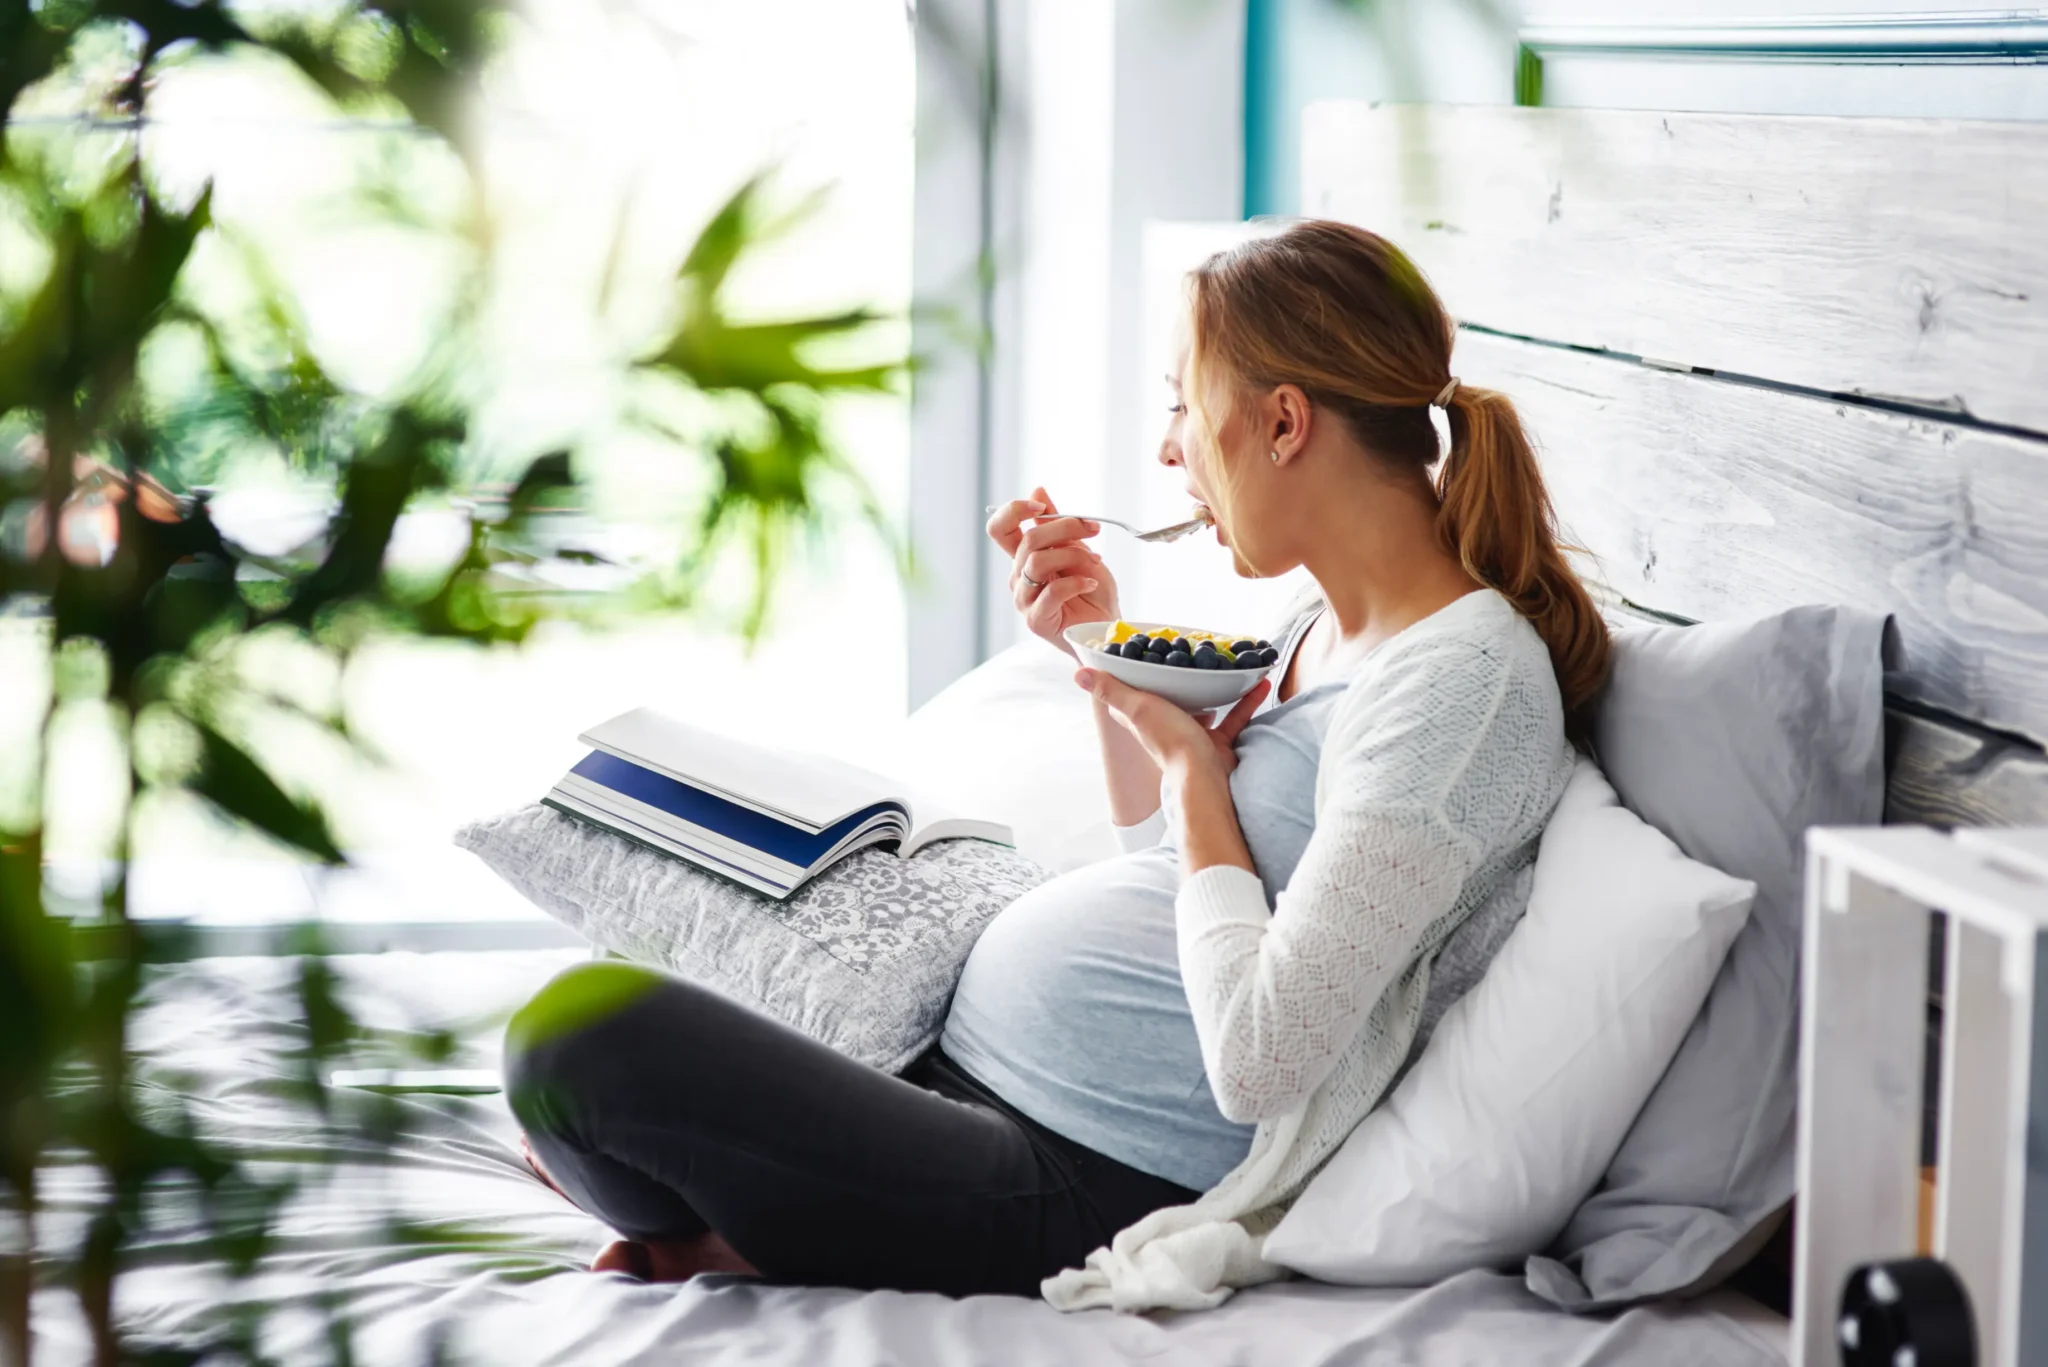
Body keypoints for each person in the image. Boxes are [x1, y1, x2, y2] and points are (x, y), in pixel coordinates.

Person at [503, 220, 1610, 1310]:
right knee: (630, 977)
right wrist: (1104, 650)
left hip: (1073, 1171)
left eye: (1182, 404)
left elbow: (1262, 1060)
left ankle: (723, 1228)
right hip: (961, 1076)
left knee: (580, 1036)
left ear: (1282, 422)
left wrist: (1195, 780)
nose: (1169, 450)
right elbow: (1176, 872)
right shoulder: (1318, 621)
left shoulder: (1461, 686)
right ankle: (724, 1206)